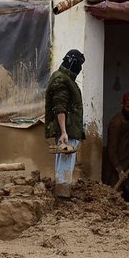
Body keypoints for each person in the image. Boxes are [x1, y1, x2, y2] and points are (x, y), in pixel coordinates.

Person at [45, 49, 86, 198]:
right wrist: (63, 132)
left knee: (66, 163)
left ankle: (63, 193)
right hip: (66, 131)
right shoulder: (61, 79)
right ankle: (62, 195)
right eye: (79, 65)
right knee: (65, 163)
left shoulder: (67, 79)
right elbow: (59, 107)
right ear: (73, 63)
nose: (80, 69)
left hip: (70, 130)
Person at [106, 92, 129, 205]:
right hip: (116, 167)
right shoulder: (116, 123)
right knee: (116, 198)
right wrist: (119, 170)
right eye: (127, 107)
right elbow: (111, 150)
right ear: (123, 105)